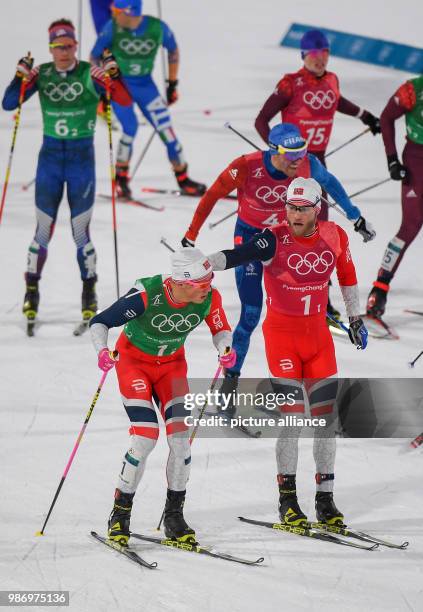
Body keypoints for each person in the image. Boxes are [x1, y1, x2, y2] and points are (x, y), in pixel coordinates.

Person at [206, 177, 368, 526]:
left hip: (318, 340)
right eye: (290, 208)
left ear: (316, 208)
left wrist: (355, 318)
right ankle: (288, 501)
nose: (294, 215)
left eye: (302, 209)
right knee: (293, 421)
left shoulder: (334, 235)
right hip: (282, 338)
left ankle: (325, 499)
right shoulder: (273, 237)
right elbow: (238, 255)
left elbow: (347, 275)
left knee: (326, 421)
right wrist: (207, 263)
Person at [181, 123, 375, 409]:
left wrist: (355, 217)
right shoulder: (246, 166)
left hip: (288, 245)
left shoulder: (306, 165)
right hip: (252, 239)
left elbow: (331, 184)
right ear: (274, 151)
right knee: (250, 315)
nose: (298, 161)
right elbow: (212, 194)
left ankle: (289, 384)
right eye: (291, 155)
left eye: (302, 153)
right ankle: (228, 388)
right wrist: (191, 234)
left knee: (292, 307)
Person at [89, 247, 235, 546]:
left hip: (172, 367)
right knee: (145, 438)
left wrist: (225, 349)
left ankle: (174, 516)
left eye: (210, 281)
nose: (209, 288)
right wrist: (103, 352)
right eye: (202, 284)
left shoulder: (210, 298)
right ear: (181, 282)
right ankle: (120, 515)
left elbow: (221, 329)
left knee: (180, 442)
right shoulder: (147, 294)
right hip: (135, 365)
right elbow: (100, 321)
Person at [1, 19, 131, 328]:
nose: (64, 52)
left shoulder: (90, 72)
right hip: (49, 163)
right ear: (51, 48)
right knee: (42, 230)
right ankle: (31, 289)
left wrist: (115, 72)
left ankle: (89, 291)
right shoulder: (41, 74)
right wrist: (19, 76)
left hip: (80, 164)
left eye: (69, 46)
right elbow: (8, 103)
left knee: (79, 232)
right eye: (58, 47)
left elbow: (123, 100)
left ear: (75, 46)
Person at [255, 28, 381, 220]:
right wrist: (279, 153)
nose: (320, 58)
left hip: (318, 160)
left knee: (320, 220)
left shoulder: (332, 79)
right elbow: (261, 121)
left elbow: (336, 101)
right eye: (314, 53)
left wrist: (365, 116)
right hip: (293, 161)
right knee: (293, 221)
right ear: (303, 55)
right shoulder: (290, 84)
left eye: (325, 52)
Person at [91, 0, 206, 199]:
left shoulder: (156, 27)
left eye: (117, 10)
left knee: (167, 132)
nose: (113, 13)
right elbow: (94, 56)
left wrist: (172, 84)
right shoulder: (112, 28)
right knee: (130, 129)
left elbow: (173, 50)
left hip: (145, 86)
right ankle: (121, 179)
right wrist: (103, 80)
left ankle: (183, 179)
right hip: (120, 86)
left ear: (130, 12)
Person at [366, 75, 423, 318]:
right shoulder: (414, 89)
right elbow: (387, 117)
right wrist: (392, 160)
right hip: (417, 160)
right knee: (410, 226)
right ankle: (379, 290)